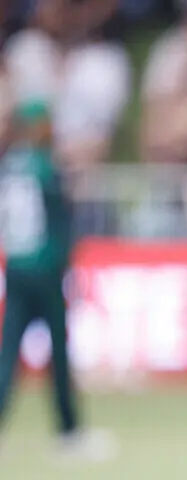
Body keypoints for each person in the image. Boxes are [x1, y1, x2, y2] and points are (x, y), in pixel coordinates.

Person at [0, 100, 112, 460]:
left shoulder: (8, 166)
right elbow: (62, 224)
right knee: (59, 353)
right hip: (45, 271)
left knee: (8, 354)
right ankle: (69, 430)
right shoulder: (44, 168)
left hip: (16, 267)